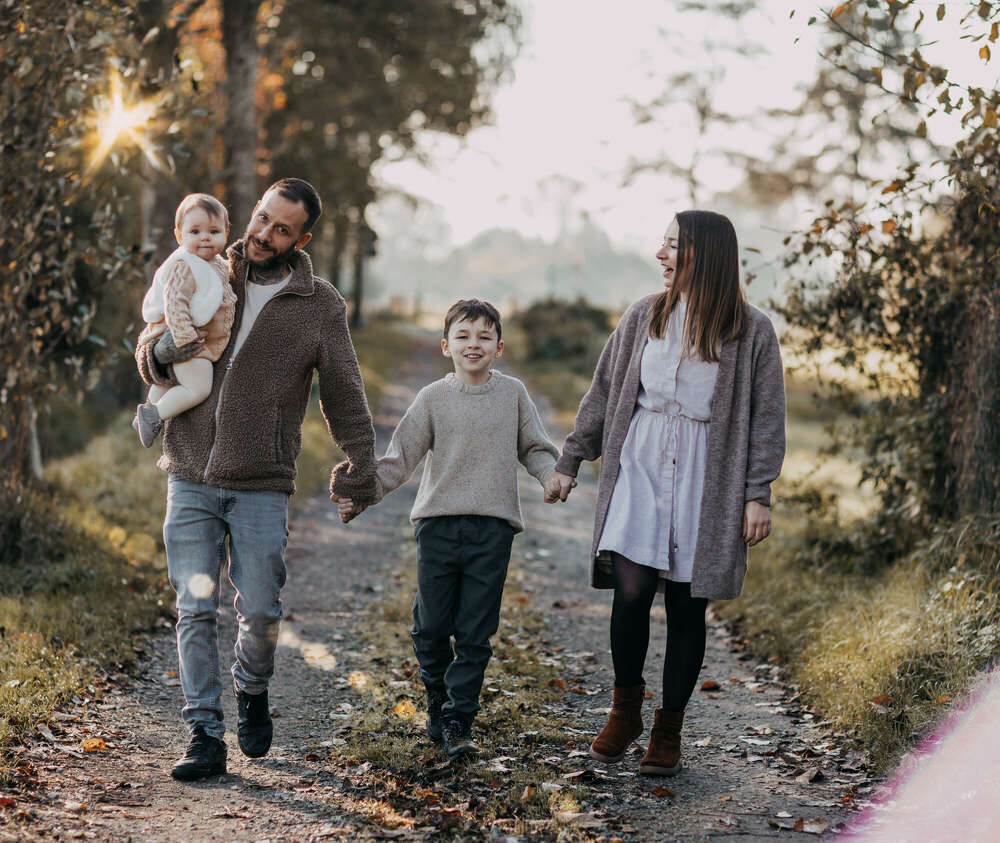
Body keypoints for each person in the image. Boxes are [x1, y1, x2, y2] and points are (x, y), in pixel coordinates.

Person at [134, 178, 379, 782]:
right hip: (189, 471)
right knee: (193, 608)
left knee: (263, 612)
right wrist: (161, 354)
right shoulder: (206, 264)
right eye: (261, 218)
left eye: (280, 228)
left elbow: (344, 391)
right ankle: (204, 732)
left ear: (303, 238)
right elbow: (149, 339)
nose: (263, 235)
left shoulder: (320, 304)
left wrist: (360, 463)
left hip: (261, 482)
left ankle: (252, 688)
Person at [543, 210, 785, 777]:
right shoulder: (642, 316)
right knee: (630, 592)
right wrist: (573, 457)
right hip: (642, 461)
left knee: (685, 606)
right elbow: (604, 391)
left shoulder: (752, 331)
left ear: (706, 254)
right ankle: (624, 710)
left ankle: (667, 728)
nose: (661, 254)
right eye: (663, 244)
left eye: (674, 245)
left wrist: (757, 492)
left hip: (709, 473)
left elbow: (767, 417)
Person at [336, 300, 559, 759]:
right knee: (433, 626)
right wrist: (362, 494)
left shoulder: (513, 394)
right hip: (438, 527)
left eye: (483, 336)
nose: (473, 344)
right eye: (463, 335)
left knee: (476, 630)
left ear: (500, 346)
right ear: (445, 346)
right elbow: (400, 459)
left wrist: (550, 475)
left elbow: (535, 447)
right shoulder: (432, 399)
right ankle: (437, 695)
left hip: (493, 530)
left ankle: (459, 718)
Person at [133, 193, 236, 447]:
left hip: (196, 343)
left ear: (226, 233)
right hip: (187, 344)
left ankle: (148, 409)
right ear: (180, 236)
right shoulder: (186, 266)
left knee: (173, 384)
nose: (205, 237)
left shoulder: (218, 265)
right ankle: (153, 415)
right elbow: (175, 305)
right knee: (199, 388)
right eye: (195, 231)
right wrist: (185, 339)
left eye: (214, 231)